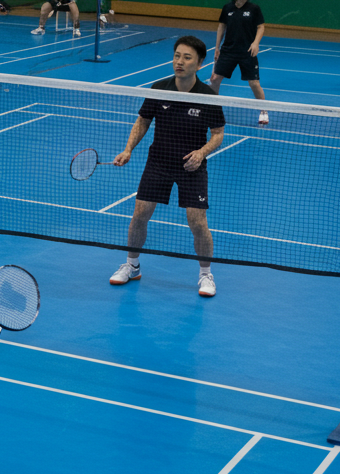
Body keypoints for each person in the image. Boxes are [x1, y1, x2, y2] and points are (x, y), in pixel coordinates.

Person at [110, 36, 225, 297]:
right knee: (140, 214)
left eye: (186, 58)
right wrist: (128, 149)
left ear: (200, 63)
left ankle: (206, 274)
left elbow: (218, 133)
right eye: (176, 56)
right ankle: (132, 266)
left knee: (197, 222)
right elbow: (142, 121)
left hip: (191, 167)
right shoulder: (159, 88)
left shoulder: (208, 96)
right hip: (158, 162)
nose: (179, 62)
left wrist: (202, 152)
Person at [210, 0, 269, 125]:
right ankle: (213, 109)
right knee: (215, 79)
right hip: (228, 50)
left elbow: (261, 27)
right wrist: (217, 47)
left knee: (254, 83)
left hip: (247, 51)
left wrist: (256, 43)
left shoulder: (254, 8)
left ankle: (264, 111)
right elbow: (221, 26)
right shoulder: (227, 8)